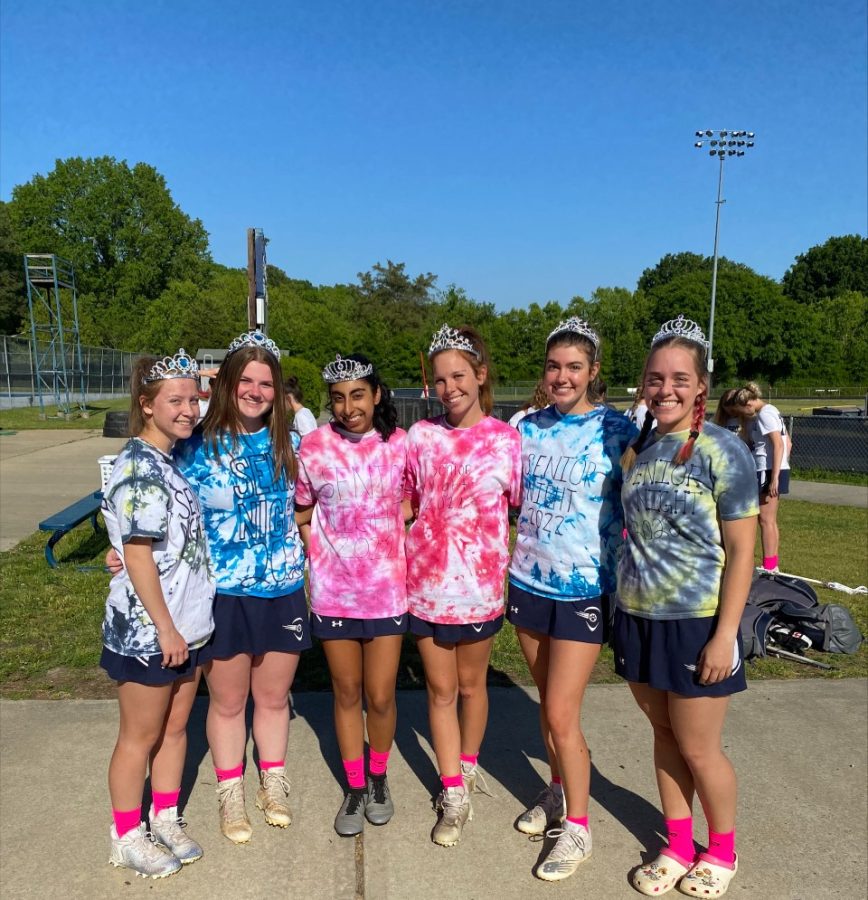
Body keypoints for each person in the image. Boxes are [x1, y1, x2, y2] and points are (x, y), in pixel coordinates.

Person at [614, 315, 758, 897]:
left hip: (696, 621)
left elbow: (743, 551)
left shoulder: (724, 451)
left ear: (702, 385)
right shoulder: (643, 445)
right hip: (638, 615)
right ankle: (677, 842)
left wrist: (726, 635)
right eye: (655, 378)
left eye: (679, 378)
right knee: (664, 735)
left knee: (699, 746)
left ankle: (721, 850)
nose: (665, 389)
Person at [506, 317, 636, 882]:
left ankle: (578, 829)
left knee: (562, 712)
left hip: (584, 588)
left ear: (594, 372)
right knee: (546, 705)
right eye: (554, 366)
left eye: (574, 367)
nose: (562, 376)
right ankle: (557, 790)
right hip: (529, 581)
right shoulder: (524, 426)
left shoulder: (619, 429)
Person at [176, 330, 310, 844]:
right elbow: (151, 496)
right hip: (223, 593)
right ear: (228, 383)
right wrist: (122, 547)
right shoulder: (194, 447)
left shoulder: (291, 442)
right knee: (228, 702)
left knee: (274, 698)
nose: (256, 391)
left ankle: (272, 781)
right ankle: (230, 792)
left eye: (267, 383)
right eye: (247, 381)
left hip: (281, 589)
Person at [404, 324, 521, 847]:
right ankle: (452, 790)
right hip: (425, 584)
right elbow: (404, 501)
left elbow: (516, 508)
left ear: (480, 374)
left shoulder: (506, 439)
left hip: (478, 587)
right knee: (440, 689)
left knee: (473, 687)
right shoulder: (420, 437)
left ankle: (467, 767)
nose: (449, 387)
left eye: (459, 375)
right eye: (440, 379)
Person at [102, 349, 215, 878]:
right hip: (152, 632)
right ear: (146, 405)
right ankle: (126, 834)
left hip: (186, 627)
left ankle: (164, 816)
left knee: (174, 730)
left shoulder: (167, 461)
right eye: (176, 399)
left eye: (193, 398)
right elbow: (140, 554)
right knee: (140, 736)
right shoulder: (140, 466)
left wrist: (183, 627)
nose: (189, 409)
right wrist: (166, 627)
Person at [295, 354, 409, 837]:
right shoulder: (314, 447)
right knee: (346, 693)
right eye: (338, 398)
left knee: (380, 696)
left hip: (386, 593)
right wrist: (318, 550)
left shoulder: (399, 445)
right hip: (334, 595)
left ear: (376, 394)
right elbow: (302, 511)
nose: (348, 407)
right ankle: (355, 786)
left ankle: (380, 778)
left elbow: (416, 498)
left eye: (357, 395)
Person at [731, 382, 790, 573]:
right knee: (765, 519)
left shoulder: (765, 413)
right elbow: (788, 442)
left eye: (742, 410)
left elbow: (779, 444)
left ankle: (771, 566)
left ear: (748, 404)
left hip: (768, 469)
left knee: (766, 520)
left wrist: (775, 476)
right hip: (770, 468)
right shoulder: (769, 411)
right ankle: (770, 564)